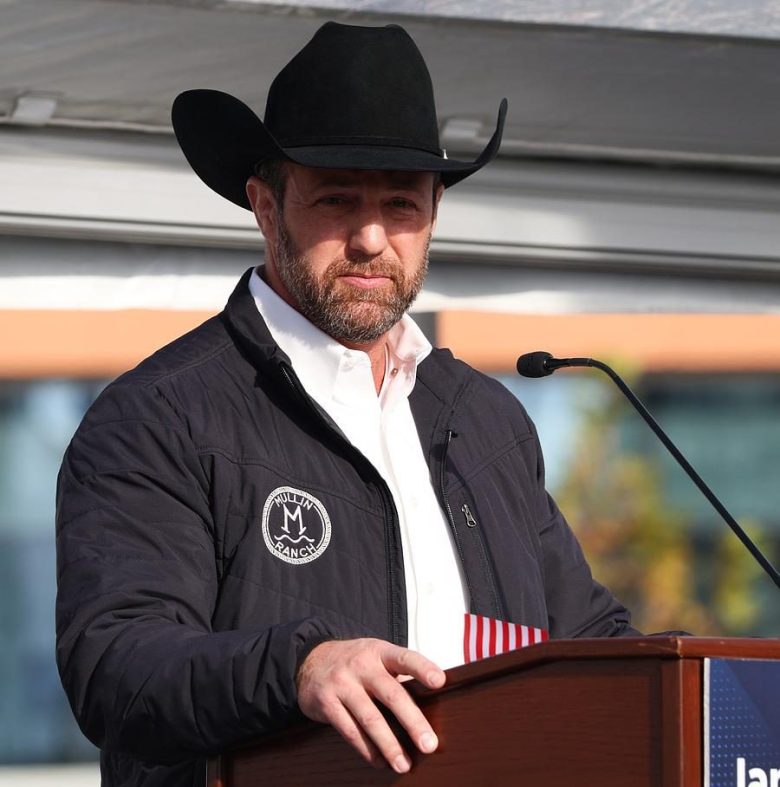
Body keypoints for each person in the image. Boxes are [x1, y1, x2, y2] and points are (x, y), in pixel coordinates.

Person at [55, 21, 638, 787]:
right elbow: (117, 665)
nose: (371, 237)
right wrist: (298, 667)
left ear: (432, 216)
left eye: (400, 203)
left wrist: (724, 681)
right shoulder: (158, 416)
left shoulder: (485, 420)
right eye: (336, 199)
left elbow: (591, 644)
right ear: (265, 207)